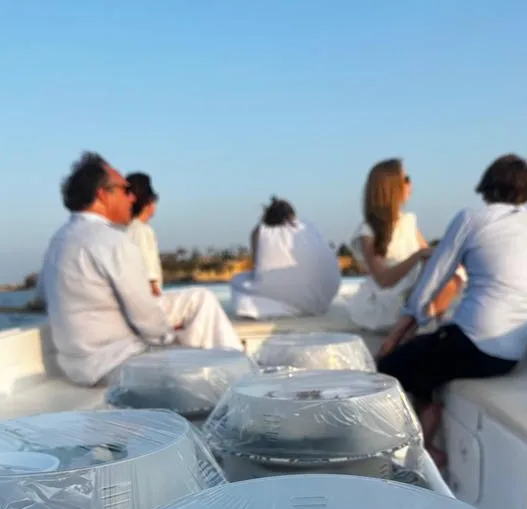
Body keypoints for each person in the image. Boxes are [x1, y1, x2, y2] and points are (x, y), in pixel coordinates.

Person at [376, 154, 527, 465]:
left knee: (391, 366)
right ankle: (427, 441)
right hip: (509, 357)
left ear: (487, 187)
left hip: (472, 346)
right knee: (430, 355)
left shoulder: (471, 219)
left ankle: (417, 450)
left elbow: (434, 278)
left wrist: (398, 333)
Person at [39, 153, 242, 387]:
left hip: (79, 367)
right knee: (204, 353)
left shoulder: (58, 241)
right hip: (120, 362)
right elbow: (143, 312)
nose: (132, 197)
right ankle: (241, 381)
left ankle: (232, 375)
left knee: (199, 299)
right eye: (125, 189)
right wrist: (169, 337)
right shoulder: (110, 240)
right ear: (102, 194)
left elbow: (42, 296)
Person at [347, 159, 465, 332]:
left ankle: (431, 321)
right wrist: (416, 257)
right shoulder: (368, 230)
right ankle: (423, 323)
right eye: (406, 179)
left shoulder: (407, 221)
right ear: (392, 186)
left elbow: (428, 254)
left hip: (410, 292)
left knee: (454, 272)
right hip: (385, 301)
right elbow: (383, 280)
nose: (410, 184)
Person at [231, 197, 340, 319]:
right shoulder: (307, 227)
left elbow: (256, 264)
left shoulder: (259, 231)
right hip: (321, 301)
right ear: (292, 215)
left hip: (289, 296)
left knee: (237, 281)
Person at [126, 172, 163, 296]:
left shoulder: (127, 229)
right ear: (148, 203)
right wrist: (154, 290)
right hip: (148, 295)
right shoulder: (142, 230)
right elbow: (147, 266)